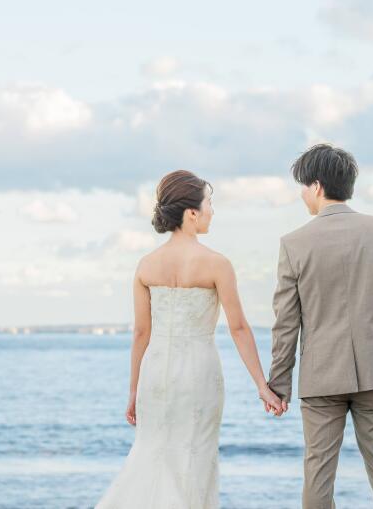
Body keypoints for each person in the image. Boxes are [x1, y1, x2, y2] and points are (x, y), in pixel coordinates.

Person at [94, 170, 282, 509]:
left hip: (155, 378)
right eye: (209, 204)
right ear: (191, 213)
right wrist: (261, 384)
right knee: (194, 461)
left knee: (152, 456)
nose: (212, 211)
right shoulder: (216, 264)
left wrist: (134, 390)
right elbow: (238, 327)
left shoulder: (146, 265)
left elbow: (141, 334)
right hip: (199, 374)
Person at [267, 144, 373, 509]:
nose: (301, 194)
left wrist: (279, 383)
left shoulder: (294, 244)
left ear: (318, 186)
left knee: (318, 475)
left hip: (321, 377)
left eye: (303, 186)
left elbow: (286, 324)